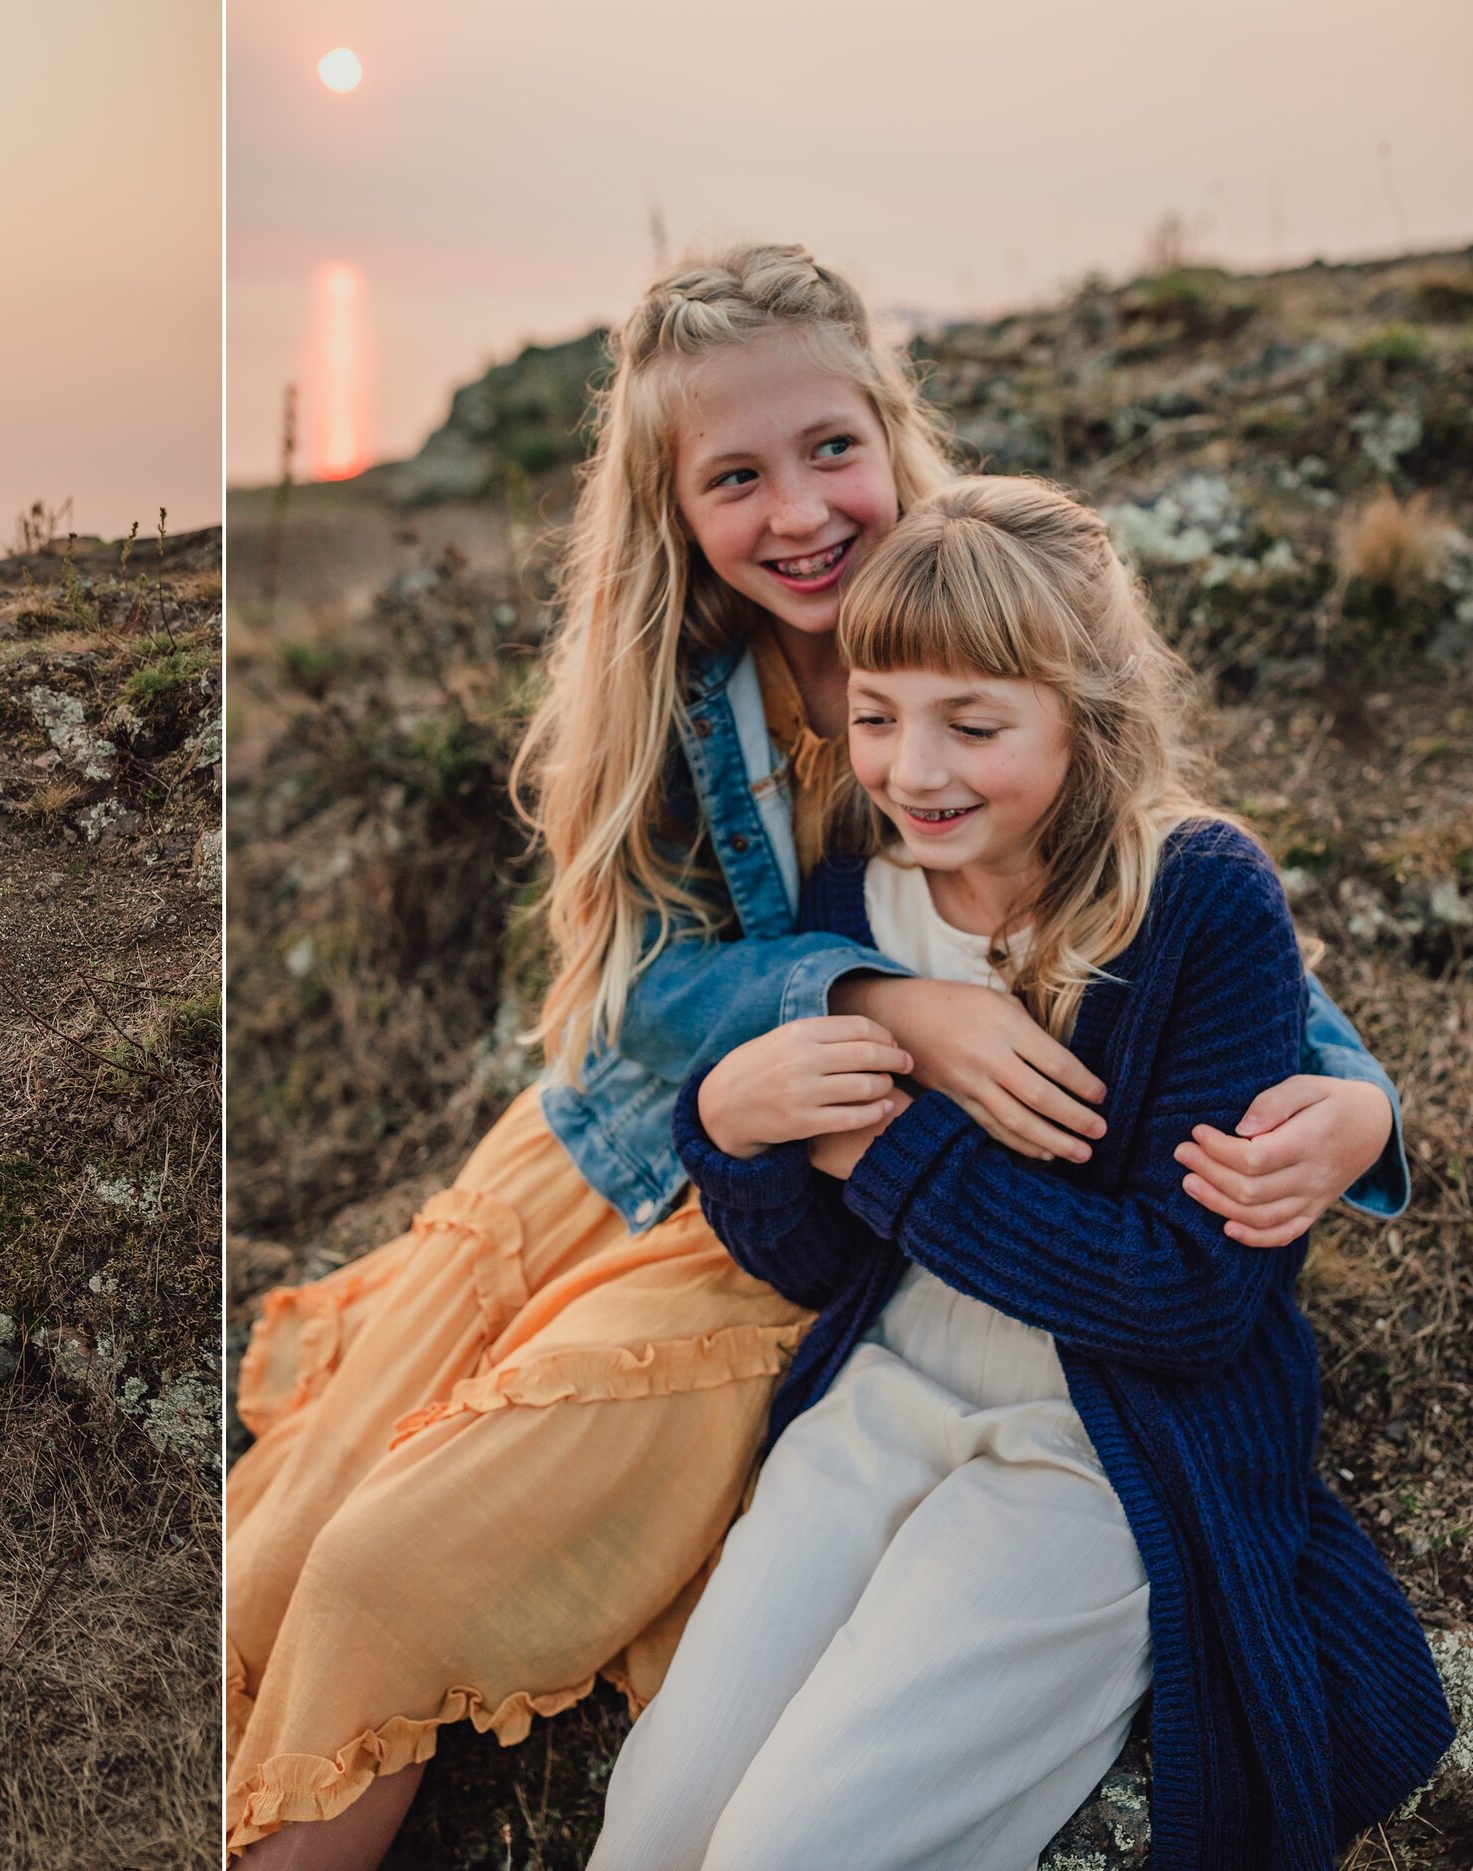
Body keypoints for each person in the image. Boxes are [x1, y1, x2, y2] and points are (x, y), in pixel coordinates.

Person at [225, 246, 1410, 1865]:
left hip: (830, 1213)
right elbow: (640, 978)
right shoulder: (681, 682)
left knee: (395, 1569)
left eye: (830, 448)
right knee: (282, 1552)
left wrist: (1360, 1100)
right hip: (635, 1137)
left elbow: (1183, 898)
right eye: (734, 474)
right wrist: (870, 1004)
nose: (798, 509)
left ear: (891, 425)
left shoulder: (981, 615)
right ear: (670, 503)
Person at [588, 476, 1449, 1870]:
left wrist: (886, 1145)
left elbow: (1186, 1300)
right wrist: (734, 1131)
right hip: (879, 1404)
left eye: (973, 724)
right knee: (653, 1829)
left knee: (789, 1849)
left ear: (1086, 715)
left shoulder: (1196, 902)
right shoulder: (854, 908)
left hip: (1096, 1452)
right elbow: (821, 1261)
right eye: (875, 715)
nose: (914, 770)